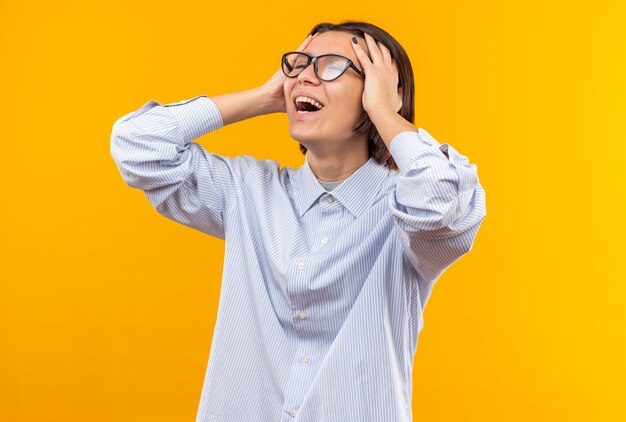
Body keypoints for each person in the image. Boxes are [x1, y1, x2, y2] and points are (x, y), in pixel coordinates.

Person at [110, 20, 486, 422]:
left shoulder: (405, 214)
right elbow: (137, 145)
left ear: (383, 91)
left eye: (331, 66)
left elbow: (440, 195)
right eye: (299, 64)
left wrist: (383, 111)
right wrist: (263, 96)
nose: (306, 75)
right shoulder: (247, 192)